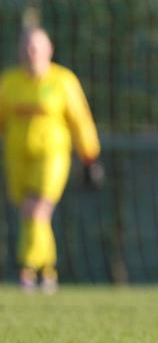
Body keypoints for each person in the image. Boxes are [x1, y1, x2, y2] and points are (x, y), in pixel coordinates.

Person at [0, 27, 103, 293]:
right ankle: (47, 271)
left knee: (37, 210)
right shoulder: (9, 83)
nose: (30, 52)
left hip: (52, 155)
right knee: (31, 215)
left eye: (36, 47)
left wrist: (89, 156)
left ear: (49, 50)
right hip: (17, 156)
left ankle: (26, 270)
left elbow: (80, 120)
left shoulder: (62, 81)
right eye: (26, 46)